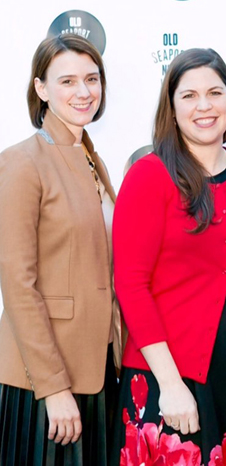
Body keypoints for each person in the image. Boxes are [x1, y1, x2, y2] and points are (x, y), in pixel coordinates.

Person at [112, 48, 226, 464]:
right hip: (165, 373)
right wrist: (170, 384)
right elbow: (131, 285)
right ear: (171, 106)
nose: (204, 106)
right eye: (189, 96)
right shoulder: (148, 176)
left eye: (215, 92)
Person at [0, 34, 121, 465]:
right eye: (67, 81)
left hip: (100, 370)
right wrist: (52, 386)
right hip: (46, 383)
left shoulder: (93, 159)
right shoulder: (21, 161)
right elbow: (17, 284)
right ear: (41, 89)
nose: (84, 92)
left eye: (92, 79)